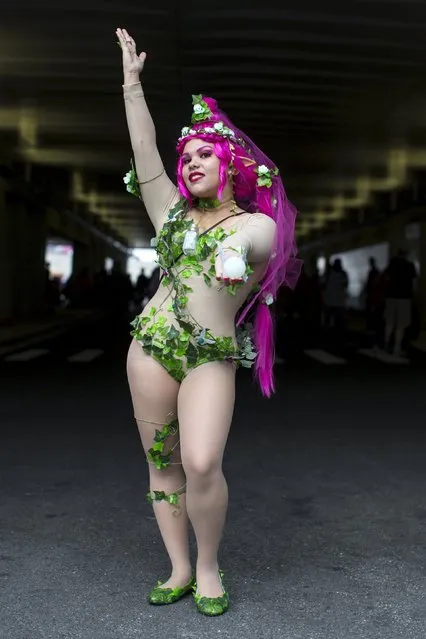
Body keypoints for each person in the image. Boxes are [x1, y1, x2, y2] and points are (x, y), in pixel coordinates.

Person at [116, 27, 300, 616]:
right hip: (150, 350)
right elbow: (144, 148)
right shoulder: (168, 210)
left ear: (230, 165)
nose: (190, 163)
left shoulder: (254, 226)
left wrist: (230, 255)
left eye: (203, 155)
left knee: (200, 461)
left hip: (208, 356)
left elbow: (256, 246)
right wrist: (131, 86)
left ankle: (209, 564)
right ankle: (178, 568)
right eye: (186, 157)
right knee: (162, 464)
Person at [383, 249, 417, 356]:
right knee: (401, 325)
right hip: (405, 298)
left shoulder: (391, 265)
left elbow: (386, 279)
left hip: (391, 297)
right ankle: (397, 348)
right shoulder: (410, 266)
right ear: (405, 255)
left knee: (389, 323)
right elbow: (414, 282)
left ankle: (386, 344)